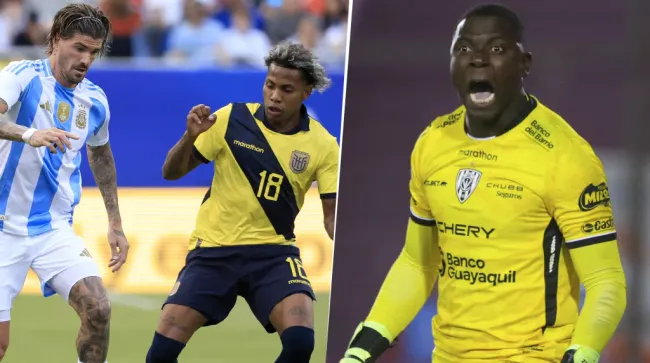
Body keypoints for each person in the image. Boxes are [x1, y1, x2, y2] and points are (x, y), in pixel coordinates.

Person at [339, 4, 626, 363]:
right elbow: (418, 263)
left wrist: (581, 352)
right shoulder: (432, 143)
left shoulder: (566, 157)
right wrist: (365, 345)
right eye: (464, 49)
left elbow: (606, 282)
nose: (477, 60)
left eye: (496, 49)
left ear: (525, 64)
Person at [145, 42, 339, 363]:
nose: (275, 95)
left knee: (301, 341)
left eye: (286, 89)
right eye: (270, 85)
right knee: (161, 354)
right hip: (213, 252)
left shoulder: (324, 145)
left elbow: (332, 219)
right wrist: (189, 137)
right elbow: (171, 172)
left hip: (274, 254)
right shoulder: (230, 119)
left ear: (306, 92)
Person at [0, 4, 129, 363]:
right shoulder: (23, 75)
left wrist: (115, 223)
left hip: (51, 229)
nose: (87, 59)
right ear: (57, 40)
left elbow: (100, 155)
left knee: (98, 309)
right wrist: (29, 133)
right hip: (1, 226)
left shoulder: (95, 100)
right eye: (79, 48)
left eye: (94, 51)